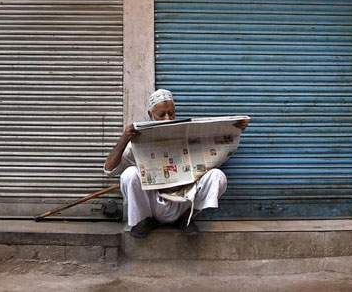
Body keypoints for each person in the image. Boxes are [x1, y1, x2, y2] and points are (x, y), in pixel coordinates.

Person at [104, 89, 248, 238]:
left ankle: (186, 218)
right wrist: (124, 140)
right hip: (154, 204)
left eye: (171, 113)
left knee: (218, 176)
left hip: (183, 201)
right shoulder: (139, 139)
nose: (168, 118)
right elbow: (109, 170)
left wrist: (233, 129)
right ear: (150, 115)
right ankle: (145, 220)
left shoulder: (185, 132)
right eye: (161, 115)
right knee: (129, 175)